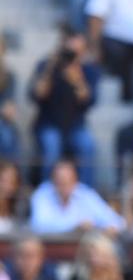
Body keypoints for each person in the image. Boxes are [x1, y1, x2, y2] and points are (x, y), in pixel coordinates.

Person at [30, 29, 101, 182]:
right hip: (48, 124)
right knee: (52, 147)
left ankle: (84, 194)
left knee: (87, 145)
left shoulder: (89, 70)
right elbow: (36, 95)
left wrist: (78, 80)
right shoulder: (46, 66)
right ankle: (46, 192)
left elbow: (90, 101)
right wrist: (51, 66)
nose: (72, 55)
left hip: (75, 126)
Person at [30, 158, 124, 233]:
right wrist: (74, 227)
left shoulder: (86, 195)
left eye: (68, 181)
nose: (64, 185)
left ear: (76, 180)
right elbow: (38, 225)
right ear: (53, 180)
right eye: (60, 181)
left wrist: (104, 229)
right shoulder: (42, 194)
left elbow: (118, 222)